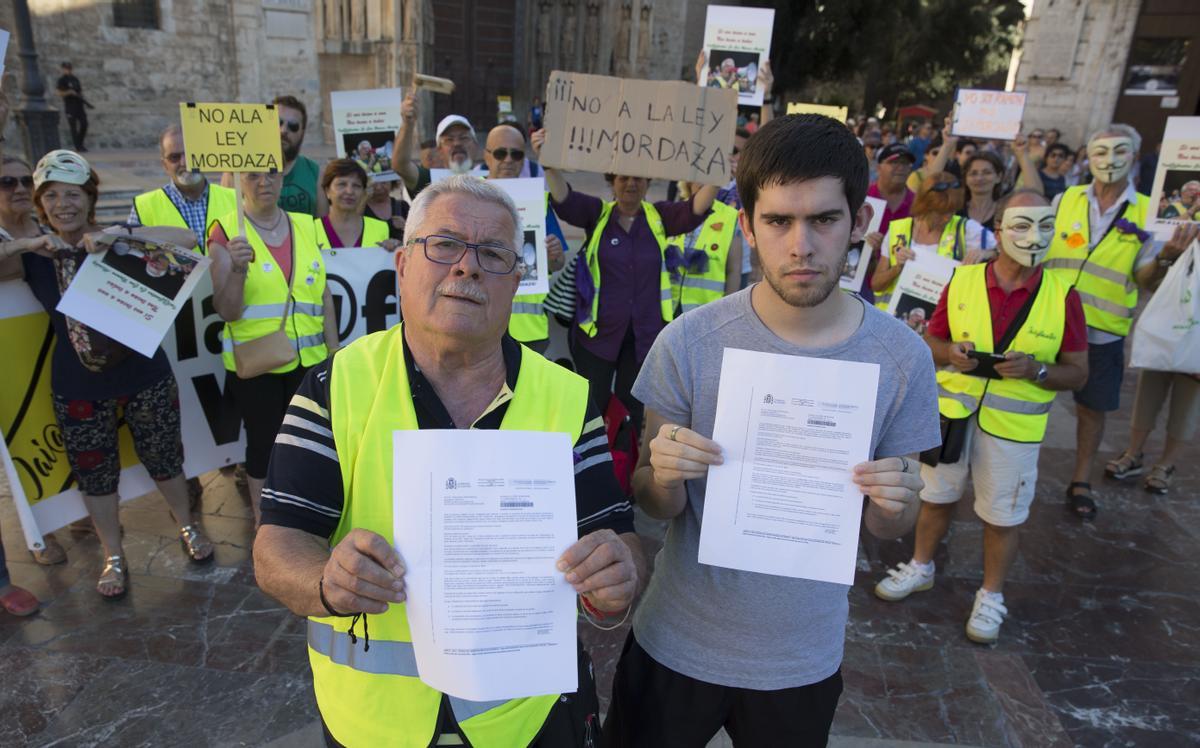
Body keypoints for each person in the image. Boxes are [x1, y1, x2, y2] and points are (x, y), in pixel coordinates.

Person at [252, 175, 641, 747]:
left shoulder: (569, 397)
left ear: (516, 282)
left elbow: (619, 537)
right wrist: (325, 581)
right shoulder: (337, 385)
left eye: (493, 254)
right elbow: (277, 544)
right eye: (445, 245)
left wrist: (617, 577)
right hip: (376, 722)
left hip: (524, 717)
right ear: (404, 266)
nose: (467, 267)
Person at [603, 113, 940, 747]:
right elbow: (651, 499)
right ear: (747, 225)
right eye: (779, 221)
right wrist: (666, 477)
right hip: (678, 641)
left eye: (823, 220)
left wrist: (898, 504)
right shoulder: (691, 343)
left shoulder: (901, 358)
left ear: (859, 223)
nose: (801, 245)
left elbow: (890, 524)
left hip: (802, 657)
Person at [874, 190, 1089, 644]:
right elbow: (931, 343)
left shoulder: (1063, 294)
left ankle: (991, 593)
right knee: (935, 497)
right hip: (954, 416)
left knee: (1003, 516)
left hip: (1015, 427)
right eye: (1023, 225)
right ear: (999, 228)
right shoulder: (965, 280)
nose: (1035, 237)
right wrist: (949, 352)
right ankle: (921, 565)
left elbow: (1078, 373)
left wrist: (1038, 370)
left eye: (1046, 226)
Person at [16, 150, 214, 599]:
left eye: (73, 194)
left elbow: (185, 236)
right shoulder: (37, 255)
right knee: (94, 473)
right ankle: (114, 555)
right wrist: (23, 244)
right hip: (77, 382)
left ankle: (187, 527)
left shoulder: (117, 238)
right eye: (51, 196)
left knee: (166, 458)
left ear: (89, 198)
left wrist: (116, 236)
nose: (63, 204)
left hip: (144, 373)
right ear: (40, 203)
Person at [1045, 124, 1191, 520]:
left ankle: (1080, 479)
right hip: (1049, 319)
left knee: (1092, 409)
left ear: (1135, 156)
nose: (1109, 161)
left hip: (1102, 330)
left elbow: (1145, 280)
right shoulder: (1064, 199)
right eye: (1100, 153)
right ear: (1087, 158)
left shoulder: (1151, 211)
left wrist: (1165, 258)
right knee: (1029, 392)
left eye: (1119, 152)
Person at [537, 136, 717, 428]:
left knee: (631, 411)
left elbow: (695, 209)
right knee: (591, 406)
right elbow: (564, 199)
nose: (630, 183)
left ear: (648, 182)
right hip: (597, 336)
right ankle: (591, 464)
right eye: (623, 177)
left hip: (645, 338)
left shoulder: (660, 217)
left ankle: (626, 465)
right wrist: (548, 164)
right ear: (612, 181)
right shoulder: (597, 214)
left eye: (638, 177)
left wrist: (717, 172)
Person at [207, 170, 337, 522]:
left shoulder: (304, 224)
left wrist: (334, 349)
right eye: (252, 176)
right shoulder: (226, 231)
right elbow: (227, 311)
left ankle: (302, 516)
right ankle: (266, 527)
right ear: (237, 181)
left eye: (272, 174)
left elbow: (322, 292)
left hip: (308, 361)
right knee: (264, 446)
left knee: (307, 442)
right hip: (258, 364)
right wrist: (236, 269)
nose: (264, 182)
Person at [1104, 223, 1200, 495]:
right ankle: (1133, 453)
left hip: (1196, 343)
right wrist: (1168, 255)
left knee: (1186, 407)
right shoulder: (1181, 235)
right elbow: (1148, 283)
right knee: (1148, 396)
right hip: (1166, 332)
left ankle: (1166, 465)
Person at [482, 123, 566, 353]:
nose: (508, 160)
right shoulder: (469, 197)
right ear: (486, 157)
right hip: (479, 325)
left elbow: (558, 263)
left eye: (516, 154)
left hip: (529, 332)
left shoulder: (539, 200)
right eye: (500, 153)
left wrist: (555, 254)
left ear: (523, 159)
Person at [871, 172, 992, 310]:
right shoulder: (898, 229)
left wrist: (985, 253)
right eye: (941, 212)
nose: (948, 217)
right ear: (924, 206)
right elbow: (876, 284)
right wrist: (897, 268)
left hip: (939, 323)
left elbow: (1001, 249)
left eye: (952, 211)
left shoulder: (967, 229)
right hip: (893, 322)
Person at [130, 124, 237, 253]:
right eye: (174, 157)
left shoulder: (237, 199)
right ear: (165, 165)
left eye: (192, 154)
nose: (185, 163)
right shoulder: (143, 207)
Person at [391, 91, 479, 194]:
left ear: (475, 146)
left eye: (463, 138)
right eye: (449, 140)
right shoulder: (430, 181)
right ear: (440, 151)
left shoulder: (490, 180)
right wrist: (407, 123)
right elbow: (400, 165)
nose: (457, 143)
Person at [861, 142, 916, 304]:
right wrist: (863, 242)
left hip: (900, 290)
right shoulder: (862, 198)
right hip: (860, 282)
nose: (901, 168)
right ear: (878, 168)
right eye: (894, 162)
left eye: (905, 163)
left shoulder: (918, 203)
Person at [313, 159, 398, 251]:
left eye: (356, 186)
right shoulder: (311, 230)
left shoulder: (381, 228)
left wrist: (392, 251)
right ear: (327, 191)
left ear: (363, 192)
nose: (349, 191)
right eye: (342, 184)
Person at [959, 151, 1006, 229]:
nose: (979, 178)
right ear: (965, 179)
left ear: (999, 177)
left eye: (987, 172)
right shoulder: (955, 211)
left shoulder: (1006, 211)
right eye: (973, 173)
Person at [55, 62, 90, 152]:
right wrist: (69, 92)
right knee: (73, 127)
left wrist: (81, 97)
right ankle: (78, 146)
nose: (68, 70)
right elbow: (59, 93)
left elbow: (80, 91)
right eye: (66, 68)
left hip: (79, 105)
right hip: (70, 106)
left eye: (69, 68)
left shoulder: (75, 79)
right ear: (63, 69)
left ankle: (80, 143)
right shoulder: (62, 80)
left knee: (84, 124)